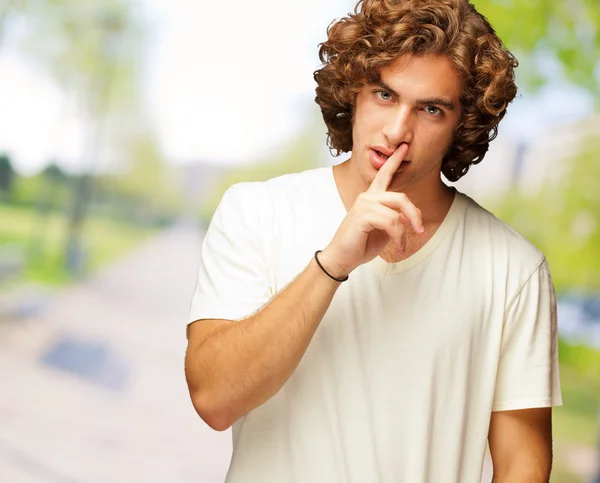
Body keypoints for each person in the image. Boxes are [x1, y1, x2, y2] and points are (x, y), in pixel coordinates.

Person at [184, 0, 562, 481]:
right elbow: (214, 400)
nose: (398, 131)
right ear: (354, 91)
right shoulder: (257, 211)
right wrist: (331, 264)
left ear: (461, 125)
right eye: (385, 94)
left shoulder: (514, 269)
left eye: (430, 109)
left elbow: (522, 464)